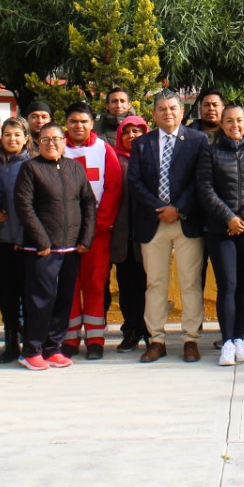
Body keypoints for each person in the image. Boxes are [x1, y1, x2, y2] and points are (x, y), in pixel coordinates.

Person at [126, 91, 209, 363]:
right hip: (154, 222)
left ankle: (190, 339)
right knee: (155, 283)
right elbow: (135, 182)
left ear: (181, 112)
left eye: (173, 108)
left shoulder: (198, 140)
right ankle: (156, 339)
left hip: (187, 222)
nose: (168, 112)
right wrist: (159, 209)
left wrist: (179, 209)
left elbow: (201, 180)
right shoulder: (141, 144)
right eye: (161, 108)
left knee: (190, 283)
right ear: (154, 113)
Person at [197, 105, 244, 366]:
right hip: (221, 231)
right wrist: (229, 218)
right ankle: (228, 340)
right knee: (227, 286)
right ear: (221, 123)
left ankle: (241, 337)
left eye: (239, 121)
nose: (235, 125)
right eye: (229, 121)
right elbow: (205, 189)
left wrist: (243, 219)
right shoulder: (210, 152)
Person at [14, 123, 97, 370]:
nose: (52, 144)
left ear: (64, 141)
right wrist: (42, 240)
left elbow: (88, 204)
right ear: (37, 143)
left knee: (63, 300)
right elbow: (24, 207)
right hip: (42, 250)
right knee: (41, 300)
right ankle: (31, 350)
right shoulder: (30, 168)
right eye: (46, 139)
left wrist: (85, 239)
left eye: (57, 139)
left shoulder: (74, 168)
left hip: (70, 248)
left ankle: (53, 348)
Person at [60, 103, 124, 359]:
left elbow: (114, 186)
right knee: (69, 285)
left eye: (84, 121)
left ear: (91, 123)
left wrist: (97, 225)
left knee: (95, 285)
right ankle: (70, 338)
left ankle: (95, 339)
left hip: (97, 233)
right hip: (64, 234)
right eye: (73, 121)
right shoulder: (58, 148)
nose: (79, 126)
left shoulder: (103, 149)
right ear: (66, 122)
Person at [0, 118, 33, 363]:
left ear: (26, 138)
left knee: (25, 296)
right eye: (7, 135)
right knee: (6, 296)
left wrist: (23, 237)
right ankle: (10, 342)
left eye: (17, 135)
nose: (12, 139)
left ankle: (29, 341)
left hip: (24, 241)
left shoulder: (32, 164)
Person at [110, 115, 150, 352]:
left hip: (148, 234)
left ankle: (150, 330)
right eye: (127, 132)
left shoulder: (152, 160)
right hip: (123, 235)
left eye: (138, 131)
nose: (133, 136)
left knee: (149, 285)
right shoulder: (113, 160)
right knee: (126, 286)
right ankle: (131, 330)